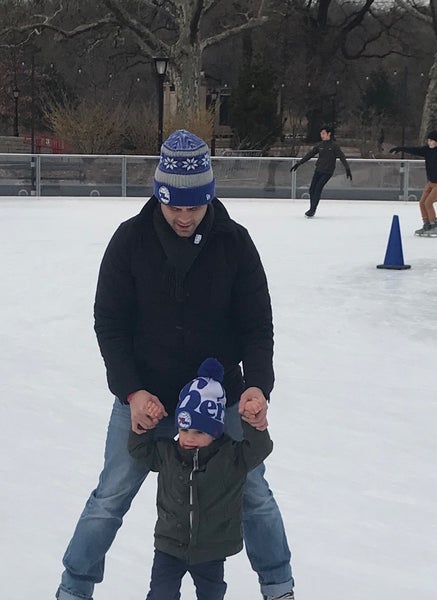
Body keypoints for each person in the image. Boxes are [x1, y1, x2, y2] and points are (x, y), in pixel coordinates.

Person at [57, 129, 295, 600]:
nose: (184, 217)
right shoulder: (129, 241)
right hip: (148, 401)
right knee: (110, 498)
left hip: (219, 402)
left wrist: (258, 387)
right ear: (159, 196)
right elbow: (110, 322)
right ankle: (73, 588)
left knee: (254, 497)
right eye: (174, 207)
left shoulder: (235, 244)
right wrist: (132, 391)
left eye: (195, 206)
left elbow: (257, 325)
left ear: (209, 196)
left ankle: (279, 587)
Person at [128, 357, 273, 600]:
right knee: (161, 593)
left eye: (198, 432)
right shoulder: (168, 453)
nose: (188, 438)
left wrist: (251, 420)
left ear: (216, 431)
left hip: (211, 550)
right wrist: (148, 424)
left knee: (212, 594)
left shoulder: (231, 458)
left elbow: (260, 448)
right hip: (169, 546)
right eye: (183, 430)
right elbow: (139, 450)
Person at [389, 130, 437, 237]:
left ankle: (434, 226)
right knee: (422, 202)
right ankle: (426, 224)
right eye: (428, 140)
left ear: (436, 142)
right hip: (431, 182)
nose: (429, 143)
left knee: (428, 203)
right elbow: (413, 149)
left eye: (432, 141)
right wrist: (400, 148)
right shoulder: (426, 150)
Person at [290, 125, 352, 217]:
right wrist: (299, 163)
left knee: (318, 188)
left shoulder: (334, 146)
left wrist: (347, 169)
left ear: (329, 134)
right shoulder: (320, 145)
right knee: (312, 189)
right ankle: (312, 208)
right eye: (321, 133)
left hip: (328, 172)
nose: (321, 135)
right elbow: (309, 155)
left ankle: (312, 210)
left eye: (323, 133)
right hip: (318, 170)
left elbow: (342, 157)